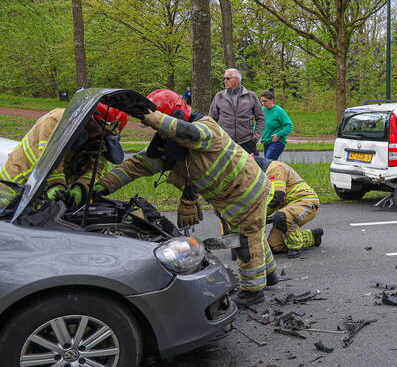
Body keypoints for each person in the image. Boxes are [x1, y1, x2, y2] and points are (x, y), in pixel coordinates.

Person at [95, 89, 277, 308]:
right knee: (254, 234)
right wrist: (99, 187)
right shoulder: (172, 143)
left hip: (247, 192)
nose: (159, 133)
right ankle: (270, 274)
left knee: (246, 240)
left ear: (173, 116)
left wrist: (151, 117)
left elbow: (190, 133)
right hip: (228, 197)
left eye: (159, 126)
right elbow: (136, 166)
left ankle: (253, 291)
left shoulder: (207, 128)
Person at [0, 104, 128, 207]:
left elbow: (95, 168)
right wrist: (56, 185)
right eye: (95, 129)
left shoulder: (102, 137)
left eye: (102, 133)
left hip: (48, 191)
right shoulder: (56, 121)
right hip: (14, 184)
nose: (95, 135)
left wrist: (81, 187)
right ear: (88, 118)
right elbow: (49, 158)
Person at [256, 156, 323, 258]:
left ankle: (295, 247)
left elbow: (277, 197)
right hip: (288, 206)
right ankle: (313, 236)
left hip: (306, 202)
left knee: (281, 217)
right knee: (273, 247)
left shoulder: (274, 168)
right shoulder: (263, 174)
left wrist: (260, 216)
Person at [210, 68, 263, 154]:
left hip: (247, 142)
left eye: (228, 78)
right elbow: (211, 120)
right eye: (224, 78)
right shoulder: (219, 96)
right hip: (225, 142)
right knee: (226, 167)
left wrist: (256, 137)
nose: (225, 81)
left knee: (252, 167)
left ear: (237, 80)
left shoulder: (251, 96)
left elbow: (260, 118)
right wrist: (216, 137)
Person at [260, 90, 293, 161]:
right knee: (267, 165)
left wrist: (278, 135)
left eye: (265, 101)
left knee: (268, 163)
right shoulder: (262, 110)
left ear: (272, 100)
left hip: (277, 142)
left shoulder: (279, 111)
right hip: (266, 141)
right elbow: (259, 123)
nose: (263, 103)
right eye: (262, 101)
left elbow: (289, 126)